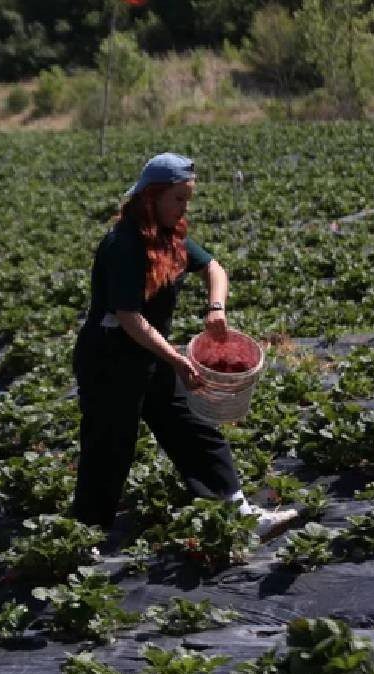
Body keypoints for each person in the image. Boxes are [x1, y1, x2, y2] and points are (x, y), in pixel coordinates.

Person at [69, 152, 298, 541]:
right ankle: (86, 534)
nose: (184, 207)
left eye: (187, 199)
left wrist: (216, 310)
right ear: (151, 197)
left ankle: (237, 511)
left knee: (193, 426)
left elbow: (213, 268)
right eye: (178, 199)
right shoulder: (125, 244)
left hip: (151, 353)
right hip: (110, 358)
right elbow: (130, 317)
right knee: (110, 444)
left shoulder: (168, 237)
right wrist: (176, 359)